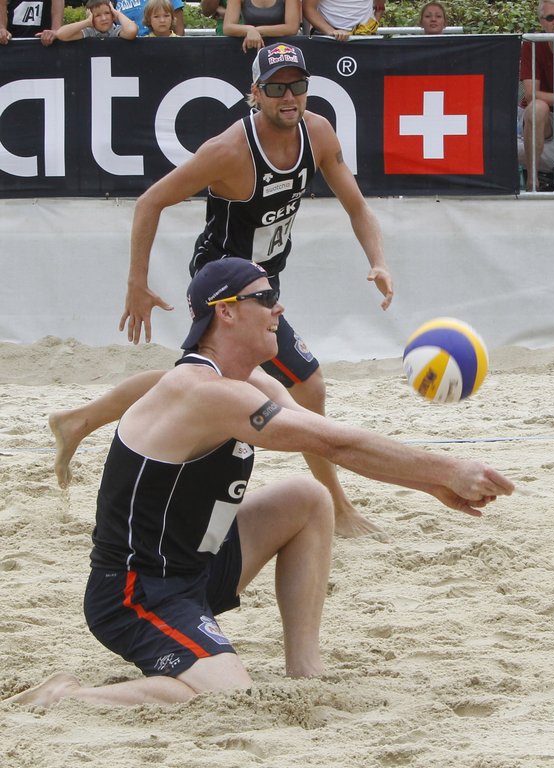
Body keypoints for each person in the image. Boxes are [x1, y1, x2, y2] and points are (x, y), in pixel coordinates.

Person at [6, 258, 515, 708]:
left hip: (197, 568)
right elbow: (337, 444)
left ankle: (305, 668)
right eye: (266, 297)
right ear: (226, 311)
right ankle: (66, 697)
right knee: (230, 696)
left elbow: (326, 439)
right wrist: (446, 471)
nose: (279, 308)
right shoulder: (204, 392)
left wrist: (430, 483)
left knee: (307, 498)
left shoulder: (247, 381)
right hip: (137, 592)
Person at [50, 43, 394, 540]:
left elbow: (357, 207)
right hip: (224, 283)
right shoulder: (229, 150)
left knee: (201, 381)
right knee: (306, 384)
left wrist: (378, 260)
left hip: (263, 280)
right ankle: (337, 506)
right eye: (276, 87)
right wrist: (136, 284)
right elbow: (150, 202)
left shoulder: (317, 132)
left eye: (297, 85)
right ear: (255, 92)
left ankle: (79, 421)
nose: (289, 96)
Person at [520, 0, 554, 191]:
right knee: (538, 107)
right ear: (542, 22)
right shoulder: (532, 44)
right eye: (550, 17)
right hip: (543, 119)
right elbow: (531, 95)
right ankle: (532, 181)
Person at [223, 0, 300, 52]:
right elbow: (227, 27)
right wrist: (249, 29)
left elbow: (292, 28)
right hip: (251, 47)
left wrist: (257, 31)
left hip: (282, 48)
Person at [55, 0, 138, 41]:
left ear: (112, 14)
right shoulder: (89, 32)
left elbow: (132, 31)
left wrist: (118, 14)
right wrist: (87, 22)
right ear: (91, 17)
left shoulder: (116, 31)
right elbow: (61, 34)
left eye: (107, 13)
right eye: (98, 15)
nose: (104, 18)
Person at [302, 0, 384, 40]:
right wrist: (331, 31)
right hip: (328, 37)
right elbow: (308, 9)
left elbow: (379, 7)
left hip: (365, 36)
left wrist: (372, 25)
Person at [115, 0, 184, 37]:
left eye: (166, 16)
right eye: (156, 16)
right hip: (128, 48)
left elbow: (179, 28)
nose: (162, 20)